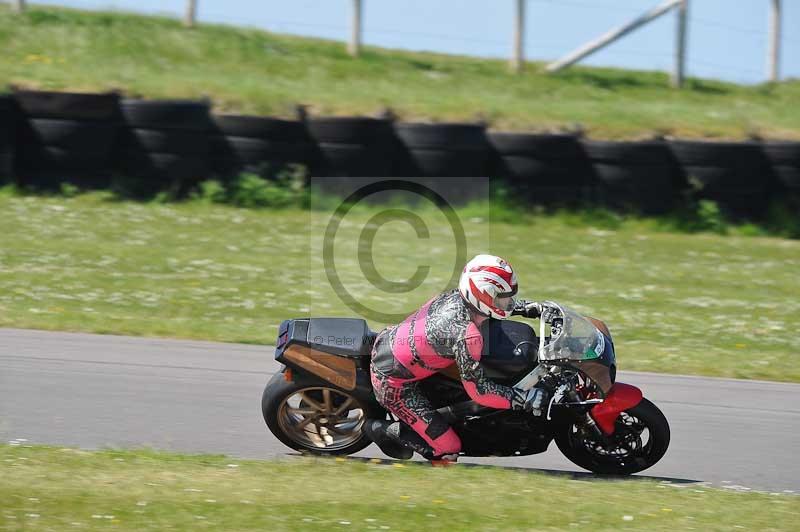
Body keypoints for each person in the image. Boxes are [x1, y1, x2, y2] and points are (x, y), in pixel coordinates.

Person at [364, 254, 549, 462]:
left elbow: (489, 305)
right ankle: (385, 429)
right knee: (449, 450)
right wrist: (521, 399)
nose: (508, 302)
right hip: (393, 384)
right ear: (482, 294)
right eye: (502, 297)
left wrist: (527, 308)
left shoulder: (456, 296)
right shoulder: (466, 335)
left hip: (394, 344)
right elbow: (480, 392)